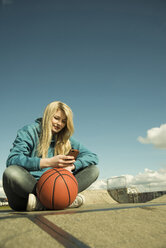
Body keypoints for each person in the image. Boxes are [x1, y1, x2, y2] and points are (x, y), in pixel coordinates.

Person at [3, 101, 99, 211]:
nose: (59, 124)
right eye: (56, 118)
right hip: (30, 189)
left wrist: (71, 167)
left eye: (64, 121)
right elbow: (13, 159)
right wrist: (49, 162)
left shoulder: (65, 139)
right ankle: (60, 202)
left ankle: (51, 202)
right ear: (48, 115)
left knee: (93, 170)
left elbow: (92, 156)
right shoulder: (29, 131)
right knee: (11, 173)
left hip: (56, 186)